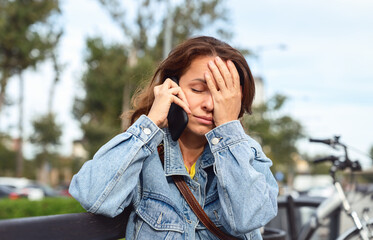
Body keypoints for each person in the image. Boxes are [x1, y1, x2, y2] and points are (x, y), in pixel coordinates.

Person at [69, 36, 278, 240]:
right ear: (172, 86)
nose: (209, 104)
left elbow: (249, 218)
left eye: (221, 95)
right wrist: (150, 123)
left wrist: (227, 130)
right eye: (197, 89)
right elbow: (92, 195)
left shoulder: (248, 154)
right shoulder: (145, 152)